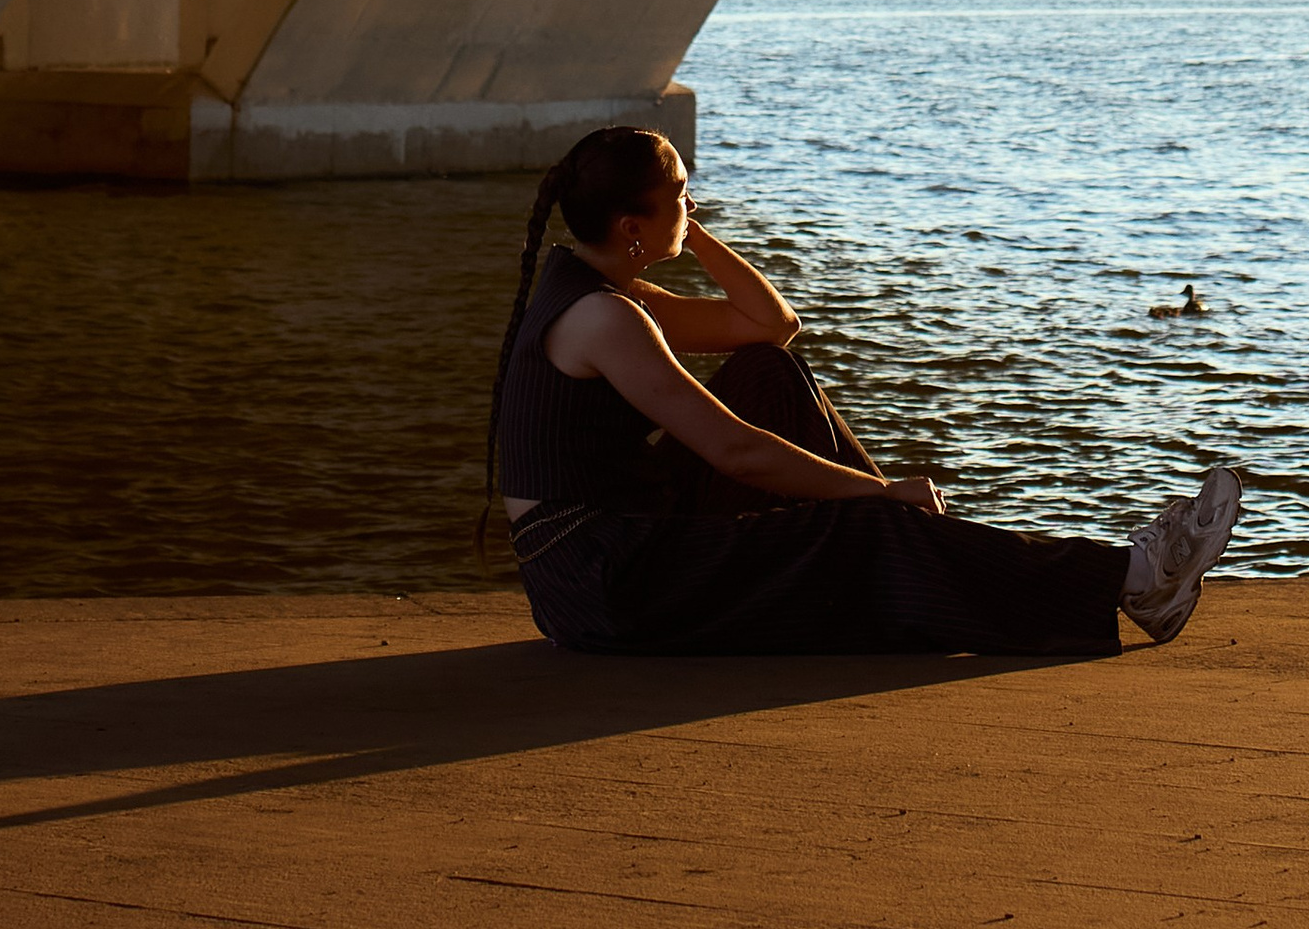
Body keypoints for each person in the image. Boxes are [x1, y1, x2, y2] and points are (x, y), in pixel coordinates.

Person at [490, 124, 1242, 657]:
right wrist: (876, 494)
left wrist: (690, 230)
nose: (694, 204)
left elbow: (770, 326)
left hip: (615, 545)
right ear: (630, 225)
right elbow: (734, 451)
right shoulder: (604, 318)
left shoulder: (605, 289)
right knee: (866, 526)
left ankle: (912, 545)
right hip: (603, 583)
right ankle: (1132, 580)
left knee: (768, 374)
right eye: (682, 195)